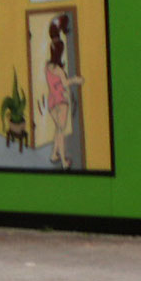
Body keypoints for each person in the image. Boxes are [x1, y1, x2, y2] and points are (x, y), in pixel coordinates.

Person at [41, 15, 84, 170]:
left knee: (58, 130)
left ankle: (54, 155)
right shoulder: (59, 70)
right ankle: (65, 162)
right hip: (61, 101)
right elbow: (65, 84)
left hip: (52, 102)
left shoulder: (47, 66)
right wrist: (76, 80)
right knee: (61, 132)